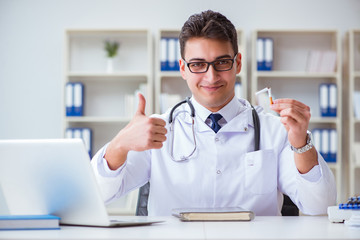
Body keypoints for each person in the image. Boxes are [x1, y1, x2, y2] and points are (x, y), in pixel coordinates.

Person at [91, 10, 336, 216]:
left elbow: (320, 206)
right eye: (198, 64)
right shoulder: (157, 130)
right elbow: (96, 195)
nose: (211, 76)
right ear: (183, 69)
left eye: (222, 62)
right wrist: (120, 145)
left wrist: (301, 143)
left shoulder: (274, 130)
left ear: (238, 63)